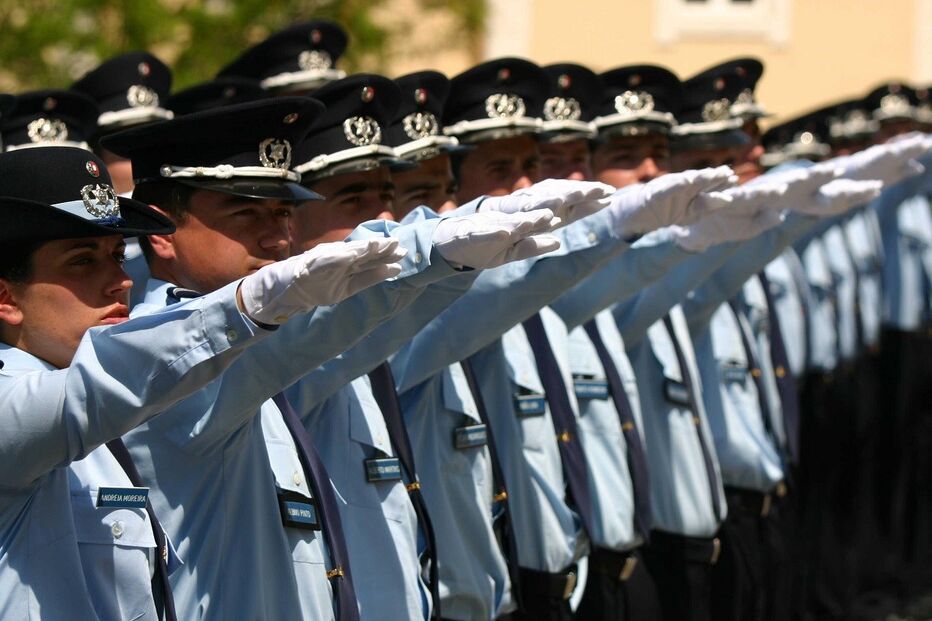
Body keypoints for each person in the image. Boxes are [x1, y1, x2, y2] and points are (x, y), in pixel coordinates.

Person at [0, 145, 401, 620]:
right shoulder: (25, 402)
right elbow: (104, 381)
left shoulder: (93, 408)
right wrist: (245, 306)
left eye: (116, 255)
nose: (120, 281)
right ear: (6, 297)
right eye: (82, 262)